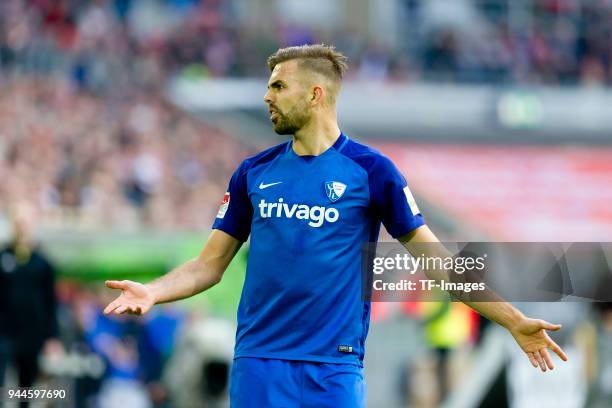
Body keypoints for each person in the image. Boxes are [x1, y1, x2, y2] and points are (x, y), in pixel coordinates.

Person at [104, 44, 568, 407]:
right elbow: (208, 266)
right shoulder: (253, 173)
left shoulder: (372, 171)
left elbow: (441, 265)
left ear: (315, 93)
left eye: (278, 86)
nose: (267, 96)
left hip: (334, 369)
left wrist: (512, 320)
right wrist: (153, 292)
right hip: (259, 365)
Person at [0, 202, 61, 390]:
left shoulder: (43, 264)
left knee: (25, 388)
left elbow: (50, 303)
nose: (21, 227)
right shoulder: (3, 258)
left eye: (25, 222)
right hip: (3, 334)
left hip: (31, 336)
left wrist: (52, 337)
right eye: (18, 222)